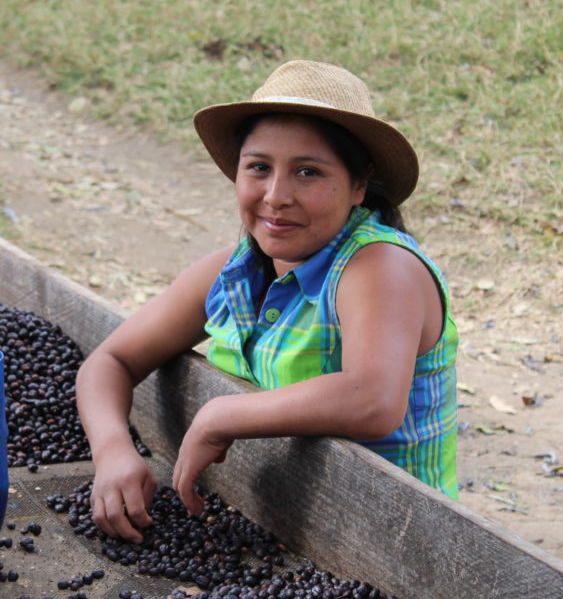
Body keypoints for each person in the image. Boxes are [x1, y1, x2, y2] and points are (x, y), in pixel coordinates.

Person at [76, 60, 458, 543]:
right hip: (284, 527)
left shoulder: (381, 267)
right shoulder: (231, 271)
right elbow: (110, 360)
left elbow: (374, 400)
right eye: (259, 167)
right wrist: (112, 449)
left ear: (359, 186)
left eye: (308, 172)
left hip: (398, 538)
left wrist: (221, 415)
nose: (277, 196)